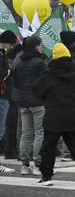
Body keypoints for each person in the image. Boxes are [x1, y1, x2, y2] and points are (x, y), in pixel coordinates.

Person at [31, 42, 75, 186]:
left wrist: (47, 100)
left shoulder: (48, 73)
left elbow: (36, 90)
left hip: (54, 115)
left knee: (49, 146)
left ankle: (47, 176)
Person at [12, 34, 46, 175]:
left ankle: (24, 165)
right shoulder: (40, 62)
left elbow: (16, 83)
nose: (42, 47)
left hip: (23, 102)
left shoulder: (18, 63)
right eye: (40, 45)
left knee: (26, 133)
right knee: (39, 132)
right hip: (37, 101)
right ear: (36, 46)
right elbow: (44, 82)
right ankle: (38, 164)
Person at [0, 30, 16, 173]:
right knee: (0, 131)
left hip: (4, 96)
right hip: (2, 95)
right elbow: (3, 74)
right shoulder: (1, 56)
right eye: (10, 44)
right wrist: (9, 71)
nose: (11, 47)